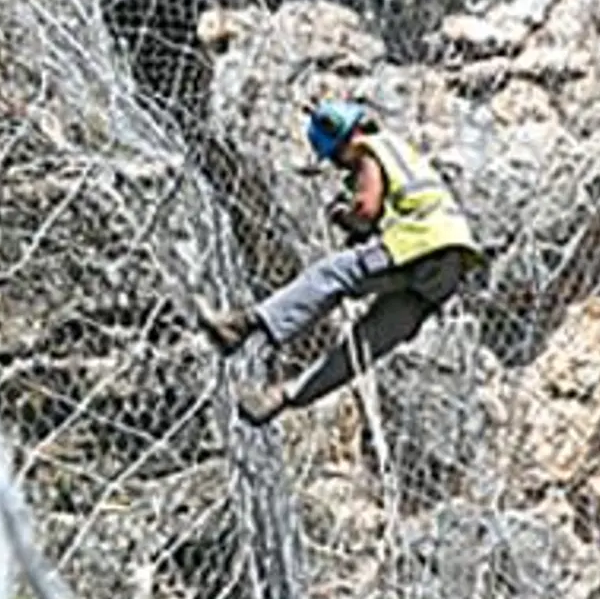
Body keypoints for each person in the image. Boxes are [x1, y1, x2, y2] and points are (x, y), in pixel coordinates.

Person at [195, 98, 484, 424]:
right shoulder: (403, 152)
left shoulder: (367, 150)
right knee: (364, 345)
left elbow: (366, 209)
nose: (340, 167)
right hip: (451, 264)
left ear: (343, 138)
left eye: (336, 158)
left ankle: (244, 325)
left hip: (418, 242)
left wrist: (347, 217)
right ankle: (281, 397)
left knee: (330, 275)